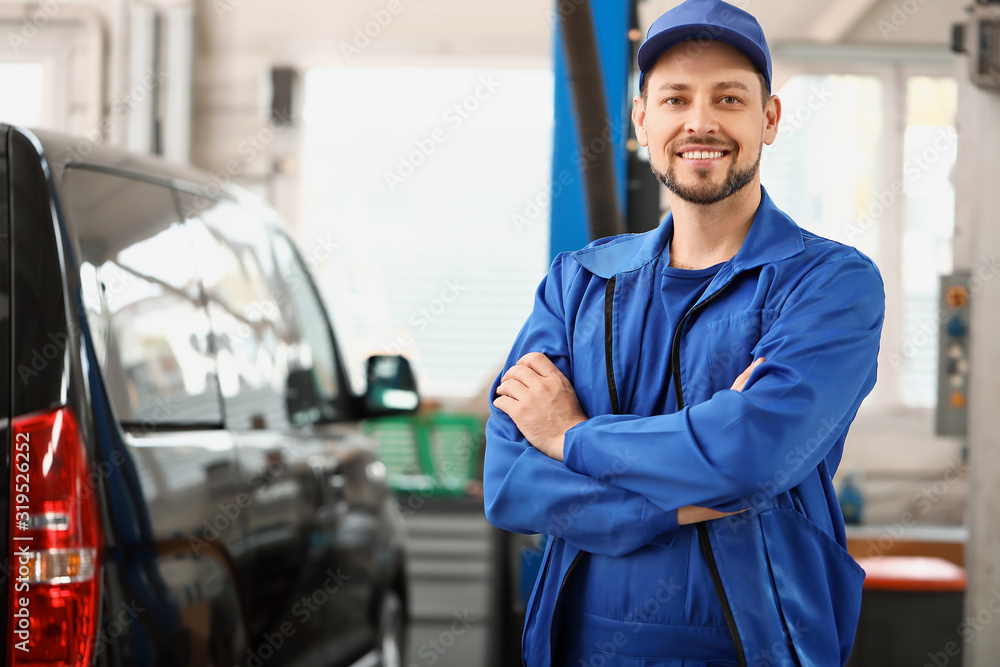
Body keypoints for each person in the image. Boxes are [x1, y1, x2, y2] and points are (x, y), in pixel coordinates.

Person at [483, 0, 885, 665]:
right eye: (675, 98)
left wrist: (569, 435)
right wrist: (685, 498)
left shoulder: (828, 284)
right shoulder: (578, 283)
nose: (700, 121)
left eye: (729, 98)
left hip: (758, 647)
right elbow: (509, 479)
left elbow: (753, 453)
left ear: (770, 118)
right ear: (642, 122)